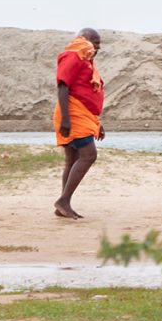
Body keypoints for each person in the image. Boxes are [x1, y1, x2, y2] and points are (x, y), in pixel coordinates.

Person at [52, 28, 105, 219]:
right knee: (89, 155)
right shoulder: (72, 56)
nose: (98, 46)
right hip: (73, 114)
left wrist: (97, 123)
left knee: (72, 160)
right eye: (95, 42)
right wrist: (66, 118)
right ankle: (64, 200)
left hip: (81, 115)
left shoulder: (85, 60)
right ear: (83, 39)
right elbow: (62, 85)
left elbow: (87, 93)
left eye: (99, 43)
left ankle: (63, 205)